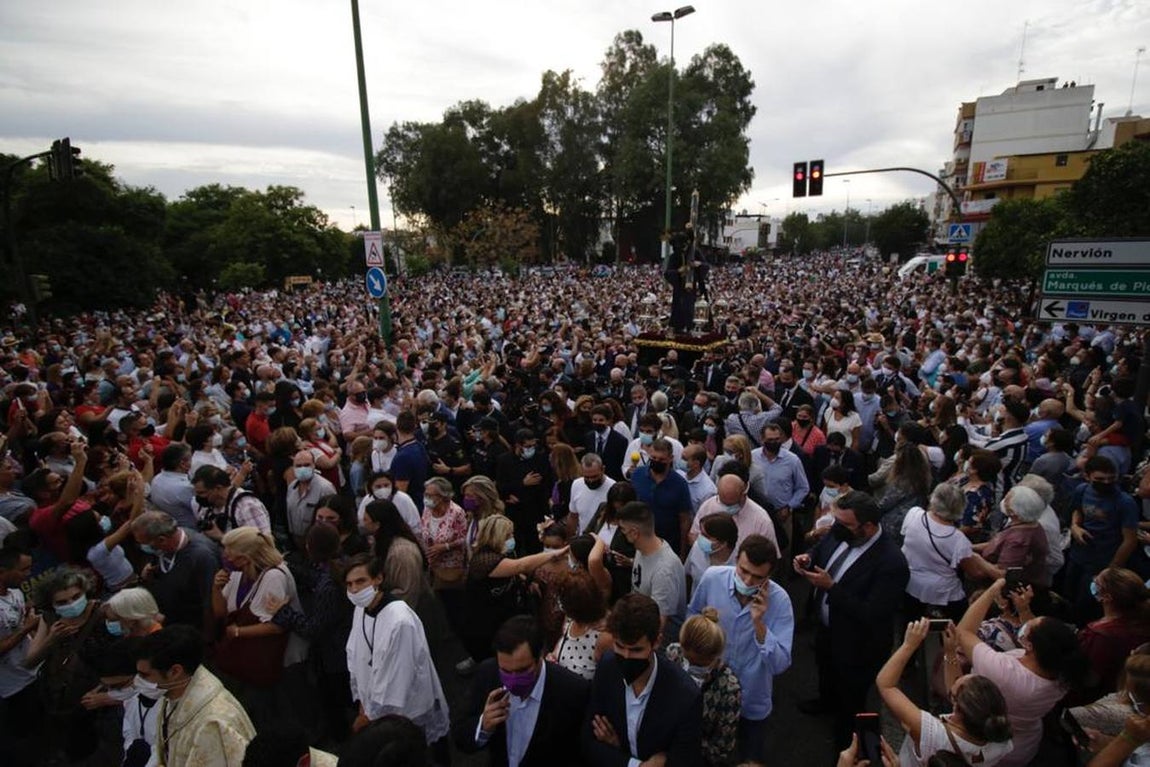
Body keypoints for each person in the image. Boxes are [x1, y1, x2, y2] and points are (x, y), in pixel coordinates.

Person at [794, 490, 910, 746]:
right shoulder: (843, 531)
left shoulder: (892, 563)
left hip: (857, 645)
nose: (837, 527)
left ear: (867, 526)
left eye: (845, 524)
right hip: (827, 629)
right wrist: (809, 558)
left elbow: (871, 613)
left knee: (851, 697)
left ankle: (846, 742)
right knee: (825, 670)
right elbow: (821, 548)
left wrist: (831, 588)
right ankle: (825, 702)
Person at [951, 579, 1090, 767]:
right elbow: (1039, 637)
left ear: (1030, 645)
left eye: (1032, 624)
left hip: (986, 742)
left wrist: (992, 590)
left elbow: (964, 632)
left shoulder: (1004, 671)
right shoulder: (1061, 672)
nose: (1028, 622)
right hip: (1023, 744)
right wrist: (1024, 609)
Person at [688, 534, 794, 765]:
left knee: (750, 758)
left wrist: (759, 625)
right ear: (736, 560)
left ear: (769, 576)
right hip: (711, 695)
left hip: (751, 701)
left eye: (757, 577)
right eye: (743, 571)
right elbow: (692, 619)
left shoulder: (781, 601)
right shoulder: (712, 578)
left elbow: (781, 664)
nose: (747, 581)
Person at [343, 554, 452, 758]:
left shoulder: (399, 621)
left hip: (407, 708)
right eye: (349, 584)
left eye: (361, 581)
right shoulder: (361, 609)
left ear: (378, 579)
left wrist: (369, 717)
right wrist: (363, 703)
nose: (355, 590)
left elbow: (397, 681)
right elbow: (355, 655)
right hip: (375, 708)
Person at [581, 592, 703, 765]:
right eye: (619, 646)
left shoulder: (685, 695)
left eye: (636, 650)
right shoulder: (608, 668)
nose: (626, 656)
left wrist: (615, 749)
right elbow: (589, 743)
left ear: (656, 642)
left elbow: (683, 760)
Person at [454, 615, 590, 767]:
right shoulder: (488, 674)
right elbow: (460, 735)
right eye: (505, 670)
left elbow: (580, 754)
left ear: (540, 656)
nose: (513, 679)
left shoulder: (573, 691)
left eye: (522, 670)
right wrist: (483, 726)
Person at [877, 618, 1015, 766]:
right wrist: (950, 653)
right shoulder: (999, 738)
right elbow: (958, 693)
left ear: (957, 708)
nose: (956, 680)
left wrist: (909, 645)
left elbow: (886, 684)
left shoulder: (930, 732)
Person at [24, 567, 117, 765]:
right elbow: (29, 661)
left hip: (98, 699)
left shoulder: (103, 613)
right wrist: (52, 639)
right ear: (52, 604)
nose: (71, 604)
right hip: (61, 698)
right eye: (62, 602)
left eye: (76, 597)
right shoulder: (50, 619)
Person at [457, 514, 569, 675]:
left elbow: (513, 573)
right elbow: (519, 566)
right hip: (483, 621)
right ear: (497, 536)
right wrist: (554, 554)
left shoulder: (505, 552)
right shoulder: (484, 559)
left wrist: (526, 582)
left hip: (503, 614)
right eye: (508, 535)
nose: (512, 538)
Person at [139, 624, 256, 767]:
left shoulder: (213, 723)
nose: (138, 681)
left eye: (145, 675)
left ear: (175, 672)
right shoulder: (173, 692)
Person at [901, 483, 1002, 621]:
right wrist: (980, 560)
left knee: (910, 622)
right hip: (943, 590)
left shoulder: (914, 514)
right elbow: (975, 573)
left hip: (911, 581)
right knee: (958, 622)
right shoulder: (958, 539)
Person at [664, 609, 742, 766]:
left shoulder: (729, 689)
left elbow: (721, 748)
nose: (691, 667)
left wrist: (684, 739)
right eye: (687, 660)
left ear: (716, 656)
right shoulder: (673, 655)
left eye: (699, 664)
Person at [1067, 456, 1140, 623]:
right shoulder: (1083, 490)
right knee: (1069, 593)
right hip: (1078, 555)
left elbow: (1129, 540)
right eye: (1100, 479)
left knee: (1086, 604)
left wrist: (1111, 571)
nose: (1106, 483)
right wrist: (1075, 526)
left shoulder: (1124, 502)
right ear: (1087, 476)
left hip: (1102, 561)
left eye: (1111, 478)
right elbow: (1077, 510)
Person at [131, 511, 221, 632]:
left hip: (191, 626)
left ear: (162, 540)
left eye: (148, 544)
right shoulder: (168, 542)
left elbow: (209, 602)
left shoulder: (202, 557)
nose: (146, 548)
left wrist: (209, 636)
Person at [617, 501, 686, 645]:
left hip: (657, 639)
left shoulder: (664, 570)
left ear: (634, 533)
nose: (621, 534)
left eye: (623, 530)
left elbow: (660, 621)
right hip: (638, 621)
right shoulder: (642, 548)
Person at [1078, 568, 1150, 699]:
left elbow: (1090, 679)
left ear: (1107, 597)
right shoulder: (1142, 620)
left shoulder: (1101, 636)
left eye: (1097, 583)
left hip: (1097, 695)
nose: (1093, 582)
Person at [0, 548, 40, 767]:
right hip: (12, 687)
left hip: (32, 670)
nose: (28, 573)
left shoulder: (15, 592)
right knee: (21, 740)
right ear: (2, 571)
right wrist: (26, 629)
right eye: (23, 569)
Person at [630, 437, 693, 556]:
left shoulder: (679, 484)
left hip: (668, 545)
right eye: (653, 458)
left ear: (670, 459)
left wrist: (683, 552)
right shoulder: (638, 475)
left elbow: (684, 519)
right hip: (639, 541)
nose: (657, 461)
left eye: (661, 459)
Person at [977, 486, 1051, 588]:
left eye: (1007, 500)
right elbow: (998, 543)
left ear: (1014, 512)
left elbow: (1002, 574)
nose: (1004, 501)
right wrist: (971, 547)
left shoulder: (1019, 540)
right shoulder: (1029, 524)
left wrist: (975, 558)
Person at [422, 476, 469, 592]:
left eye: (430, 495)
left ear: (442, 496)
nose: (426, 498)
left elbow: (465, 538)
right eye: (425, 494)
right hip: (431, 566)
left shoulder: (456, 512)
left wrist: (445, 547)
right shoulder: (427, 509)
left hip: (451, 569)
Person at [284, 449, 336, 550]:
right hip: (297, 540)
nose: (302, 468)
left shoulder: (325, 488)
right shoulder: (292, 487)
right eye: (298, 466)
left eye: (307, 465)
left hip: (319, 543)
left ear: (314, 465)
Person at [568, 453, 615, 537]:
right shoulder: (576, 484)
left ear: (603, 470)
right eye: (586, 477)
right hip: (583, 539)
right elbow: (573, 516)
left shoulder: (613, 487)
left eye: (594, 476)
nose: (590, 481)